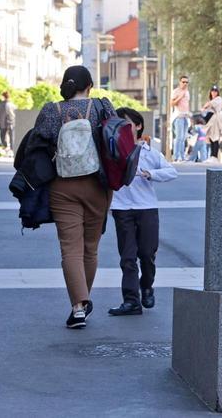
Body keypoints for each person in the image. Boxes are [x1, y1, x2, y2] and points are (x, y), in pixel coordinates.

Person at [31, 66, 117, 329]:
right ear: (89, 85)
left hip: (62, 186)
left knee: (70, 248)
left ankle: (78, 307)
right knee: (90, 248)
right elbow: (115, 139)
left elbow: (37, 142)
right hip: (97, 186)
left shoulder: (51, 110)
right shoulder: (102, 106)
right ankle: (83, 300)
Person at [107, 108, 177, 316]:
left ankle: (147, 286)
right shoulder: (113, 150)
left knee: (147, 254)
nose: (123, 128)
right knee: (127, 257)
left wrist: (149, 173)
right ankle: (131, 301)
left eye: (127, 123)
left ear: (138, 126)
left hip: (146, 207)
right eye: (118, 124)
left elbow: (172, 172)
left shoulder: (150, 152)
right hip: (121, 209)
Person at [202, 86, 222, 162]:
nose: (214, 92)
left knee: (215, 137)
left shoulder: (218, 99)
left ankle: (214, 156)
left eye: (215, 91)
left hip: (216, 119)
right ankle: (212, 155)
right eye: (212, 91)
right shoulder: (212, 100)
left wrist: (205, 106)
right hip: (211, 121)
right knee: (211, 138)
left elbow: (208, 105)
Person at [169, 76, 190, 162]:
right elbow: (172, 103)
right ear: (179, 82)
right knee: (178, 137)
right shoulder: (176, 91)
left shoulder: (187, 92)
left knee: (183, 138)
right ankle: (176, 157)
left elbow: (187, 104)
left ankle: (182, 156)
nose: (185, 84)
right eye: (183, 82)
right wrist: (180, 97)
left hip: (185, 117)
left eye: (186, 82)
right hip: (178, 117)